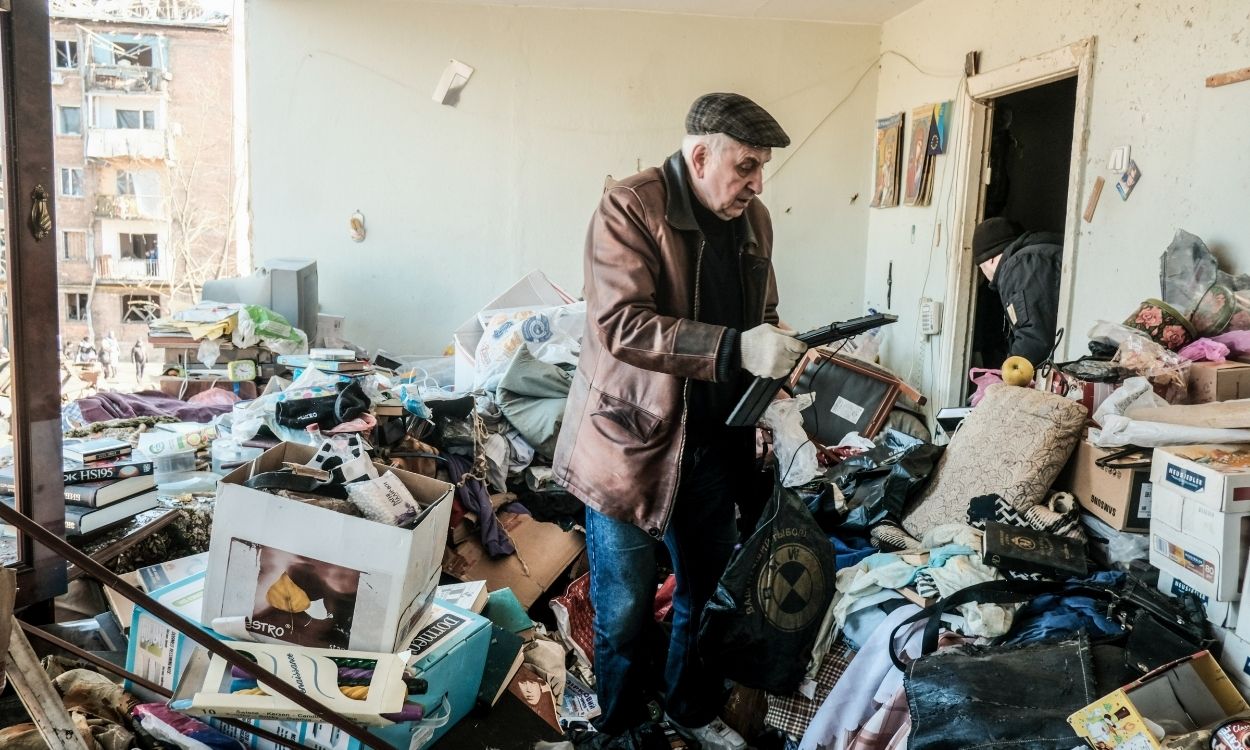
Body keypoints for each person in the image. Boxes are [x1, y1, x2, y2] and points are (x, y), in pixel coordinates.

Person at [553, 93, 806, 750]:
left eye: (761, 169)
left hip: (717, 445)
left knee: (708, 591)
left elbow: (763, 314)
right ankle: (621, 724)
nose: (756, 183)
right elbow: (620, 324)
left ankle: (688, 707)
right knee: (627, 607)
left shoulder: (756, 223)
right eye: (746, 166)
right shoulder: (631, 206)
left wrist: (778, 351)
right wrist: (733, 347)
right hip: (631, 445)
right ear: (701, 155)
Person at [972, 217, 1063, 366]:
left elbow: (1034, 338)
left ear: (990, 260)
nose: (985, 276)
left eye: (981, 267)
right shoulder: (1035, 255)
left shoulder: (1016, 267)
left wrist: (1006, 377)